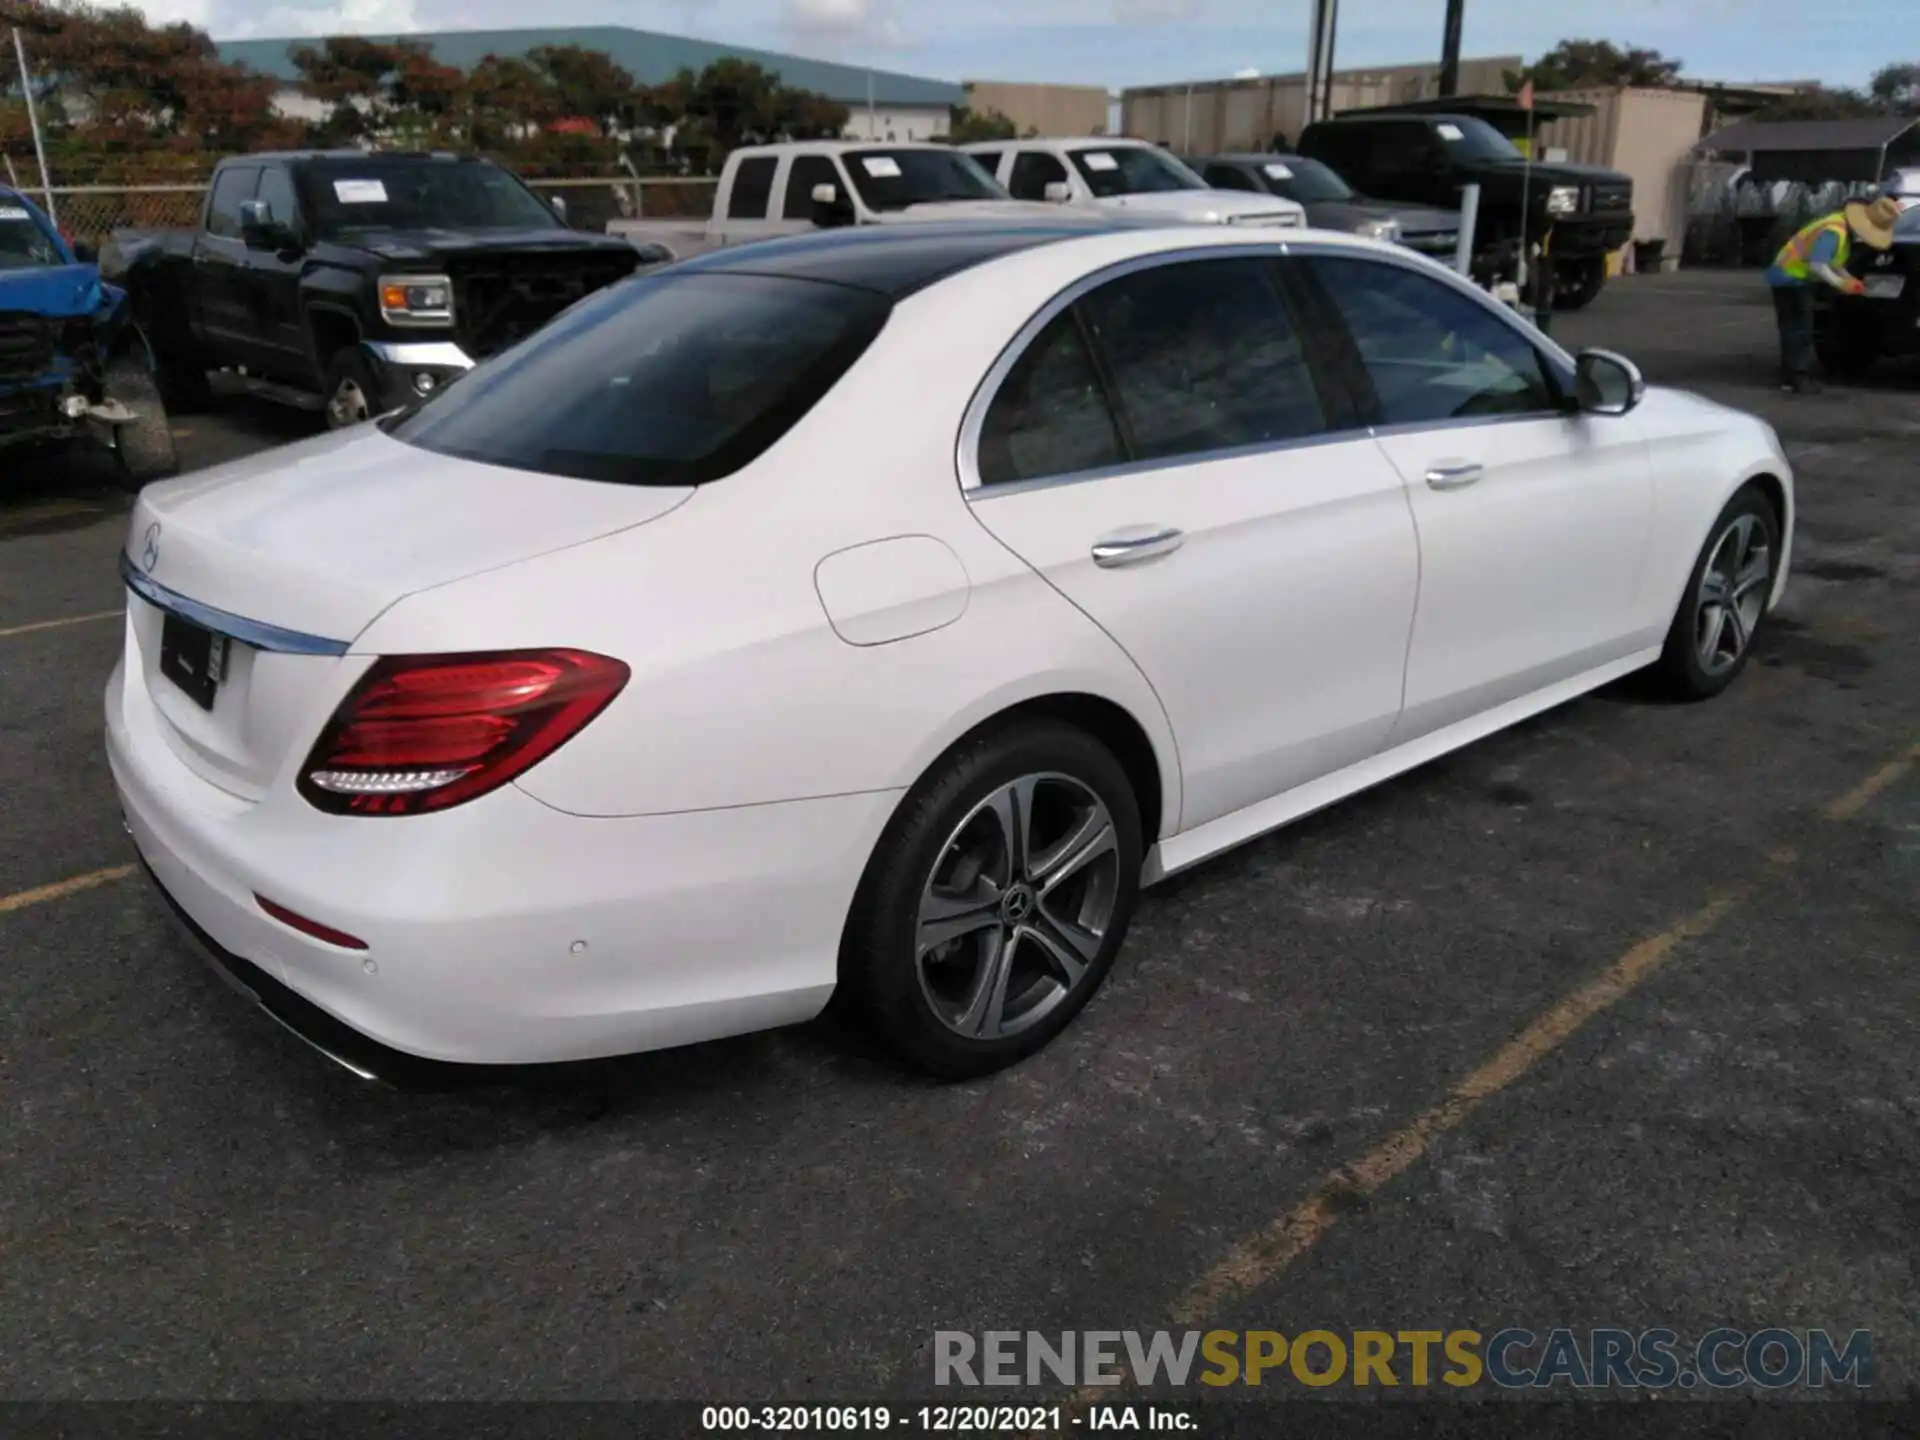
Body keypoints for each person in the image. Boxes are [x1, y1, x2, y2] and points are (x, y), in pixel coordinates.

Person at [1766, 195, 1900, 393]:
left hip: (1793, 277)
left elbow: (1833, 263)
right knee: (1798, 330)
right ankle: (1796, 378)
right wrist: (1841, 284)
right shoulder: (1834, 231)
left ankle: (1792, 376)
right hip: (1791, 278)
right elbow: (1818, 265)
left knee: (1798, 328)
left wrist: (1850, 279)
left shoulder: (1839, 227)